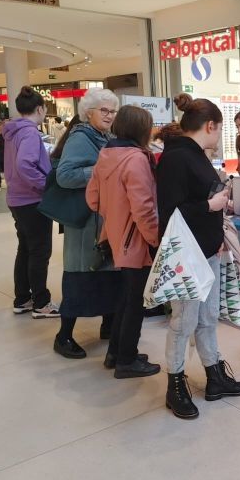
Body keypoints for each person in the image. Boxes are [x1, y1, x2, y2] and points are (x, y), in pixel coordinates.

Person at [157, 94, 240, 419]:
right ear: (210, 126)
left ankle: (214, 374)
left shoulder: (195, 155)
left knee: (209, 317)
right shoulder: (176, 158)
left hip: (207, 248)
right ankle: (175, 383)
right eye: (219, 129)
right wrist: (208, 207)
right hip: (186, 254)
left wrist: (216, 226)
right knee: (183, 322)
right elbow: (169, 211)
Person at [87, 105, 161, 377]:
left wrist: (114, 213)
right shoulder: (137, 159)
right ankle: (126, 360)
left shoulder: (105, 155)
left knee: (126, 297)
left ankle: (116, 353)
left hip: (115, 236)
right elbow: (143, 207)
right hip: (136, 239)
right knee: (136, 302)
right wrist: (155, 239)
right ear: (141, 129)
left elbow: (92, 199)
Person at [52, 88, 121, 359]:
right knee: (81, 277)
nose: (109, 115)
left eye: (113, 111)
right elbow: (65, 176)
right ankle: (63, 336)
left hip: (102, 219)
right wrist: (102, 171)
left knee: (108, 273)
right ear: (88, 112)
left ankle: (109, 324)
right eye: (104, 110)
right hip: (84, 223)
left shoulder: (105, 136)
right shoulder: (81, 137)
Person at [2, 87, 58, 318]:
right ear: (40, 109)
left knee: (25, 248)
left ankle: (23, 298)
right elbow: (25, 164)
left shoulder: (13, 131)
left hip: (16, 198)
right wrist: (43, 184)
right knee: (39, 251)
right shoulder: (30, 133)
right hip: (31, 200)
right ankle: (41, 303)